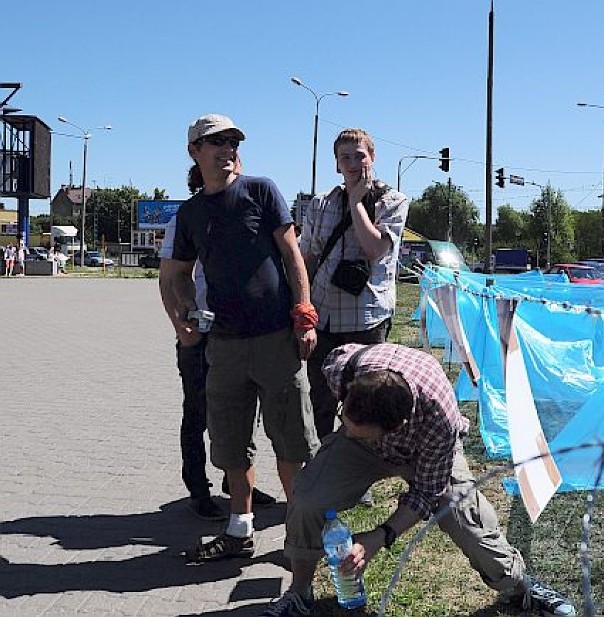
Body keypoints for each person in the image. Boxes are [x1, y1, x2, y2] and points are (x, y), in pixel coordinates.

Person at [261, 343, 576, 617]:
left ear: (397, 426)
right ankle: (299, 593)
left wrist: (379, 536)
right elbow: (352, 417)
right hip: (360, 448)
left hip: (424, 453)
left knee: (465, 518)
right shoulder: (342, 368)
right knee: (306, 498)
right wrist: (354, 431)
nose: (346, 424)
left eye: (358, 426)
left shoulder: (439, 420)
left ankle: (521, 586)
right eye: (346, 416)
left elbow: (426, 493)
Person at [161, 113, 320, 562]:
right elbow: (176, 275)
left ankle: (299, 532)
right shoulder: (191, 213)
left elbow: (292, 257)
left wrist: (303, 315)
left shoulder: (261, 190)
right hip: (224, 345)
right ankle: (240, 529)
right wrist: (186, 315)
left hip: (275, 338)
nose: (227, 149)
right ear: (195, 152)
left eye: (233, 142)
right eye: (216, 143)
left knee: (292, 437)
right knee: (230, 441)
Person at [159, 205, 277, 522]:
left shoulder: (247, 216)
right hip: (201, 332)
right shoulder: (185, 220)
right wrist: (179, 328)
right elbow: (168, 277)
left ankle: (235, 480)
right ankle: (198, 490)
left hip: (240, 331)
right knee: (197, 412)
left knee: (242, 411)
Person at [300, 128, 410, 442]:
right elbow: (308, 256)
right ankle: (321, 467)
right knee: (320, 398)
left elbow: (374, 249)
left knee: (363, 402)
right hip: (324, 317)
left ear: (372, 158)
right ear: (336, 164)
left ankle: (356, 478)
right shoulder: (320, 204)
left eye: (359, 155)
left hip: (366, 318)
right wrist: (302, 308)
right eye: (344, 157)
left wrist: (357, 203)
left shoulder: (392, 200)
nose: (352, 163)